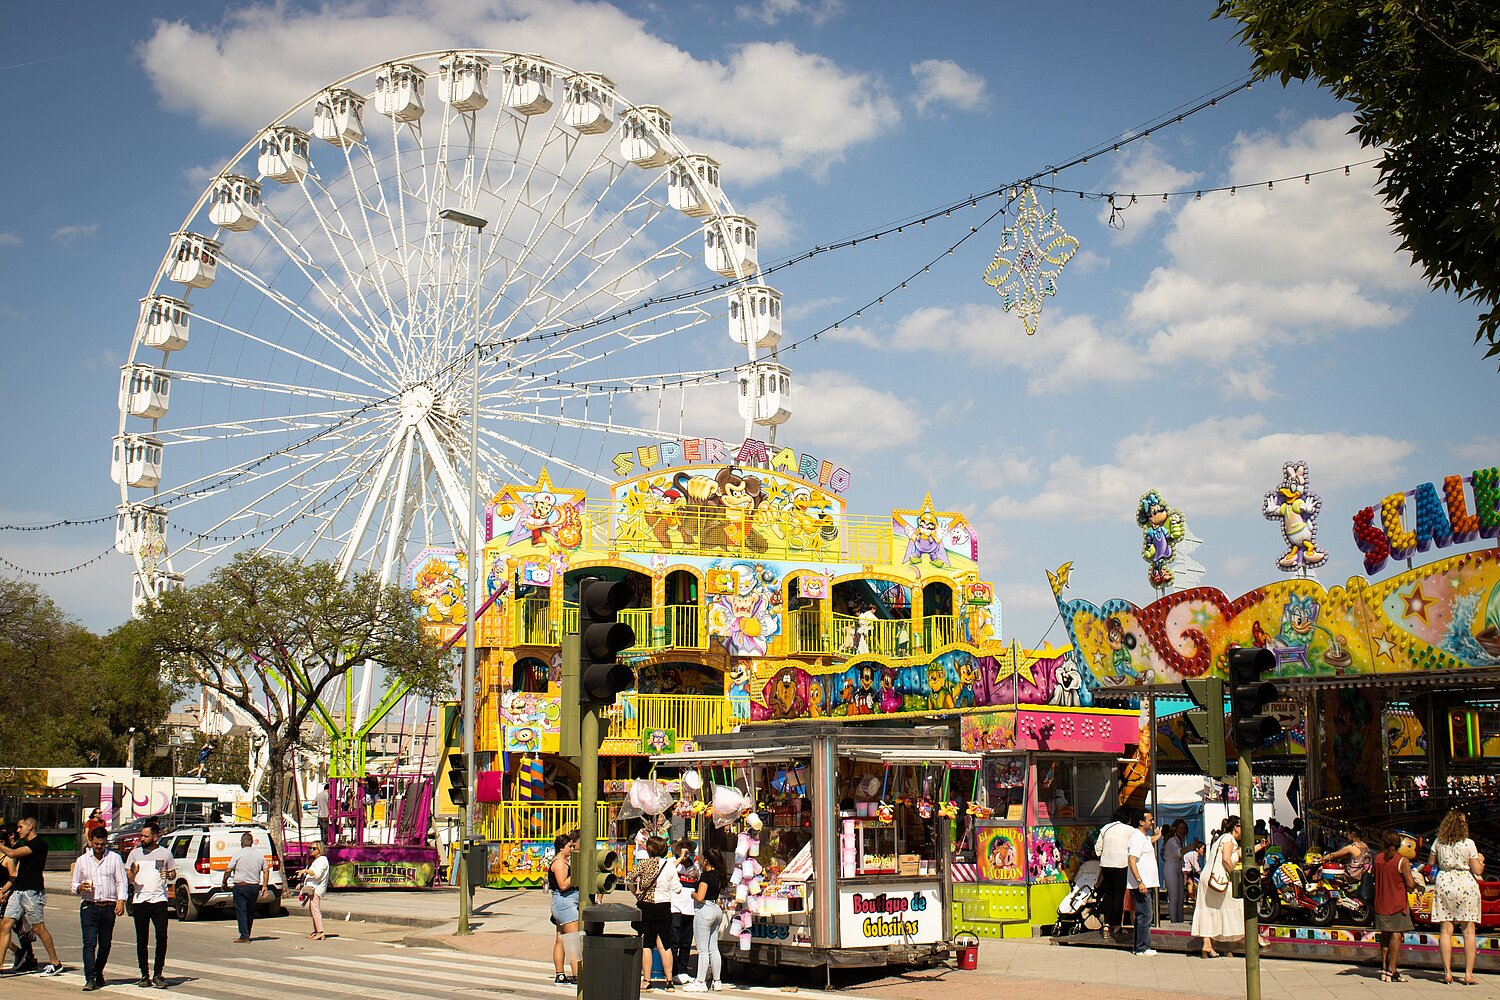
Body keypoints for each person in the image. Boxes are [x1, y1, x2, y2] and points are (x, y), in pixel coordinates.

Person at [0, 815, 64, 977]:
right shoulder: (26, 844)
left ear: (30, 827)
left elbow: (13, 854)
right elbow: (16, 871)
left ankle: (55, 962)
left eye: (20, 827)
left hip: (32, 891)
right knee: (5, 925)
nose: (18, 830)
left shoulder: (39, 844)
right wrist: (7, 890)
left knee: (38, 928)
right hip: (19, 890)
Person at [1428, 809, 1483, 986]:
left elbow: (1431, 862)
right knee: (1468, 931)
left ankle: (1448, 973)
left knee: (1446, 930)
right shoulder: (1469, 844)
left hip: (1444, 883)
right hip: (1465, 884)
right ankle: (1468, 975)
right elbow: (1477, 870)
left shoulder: (1439, 842)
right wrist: (1480, 859)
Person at [72, 824, 128, 991]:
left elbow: (121, 881)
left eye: (102, 844)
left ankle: (98, 971)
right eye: (96, 844)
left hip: (108, 907)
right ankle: (90, 978)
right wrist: (81, 887)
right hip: (89, 906)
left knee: (105, 944)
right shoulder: (82, 860)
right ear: (91, 843)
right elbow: (74, 884)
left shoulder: (114, 858)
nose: (99, 847)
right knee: (89, 943)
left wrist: (121, 901)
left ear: (106, 843)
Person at [125, 818, 175, 988]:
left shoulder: (165, 853)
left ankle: (158, 973)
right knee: (142, 939)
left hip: (159, 900)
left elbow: (173, 873)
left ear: (155, 837)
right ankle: (144, 974)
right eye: (141, 836)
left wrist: (168, 874)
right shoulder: (135, 853)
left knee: (161, 937)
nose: (142, 839)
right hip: (140, 900)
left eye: (146, 836)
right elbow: (128, 877)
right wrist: (132, 874)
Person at [626, 836, 675, 991]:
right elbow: (677, 887)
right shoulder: (669, 865)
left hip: (647, 906)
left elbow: (628, 880)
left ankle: (647, 980)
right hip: (664, 906)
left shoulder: (644, 864)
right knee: (665, 944)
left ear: (649, 849)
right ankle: (669, 981)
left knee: (647, 944)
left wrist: (636, 893)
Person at [1190, 817, 1244, 958]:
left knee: (1208, 909)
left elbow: (1240, 854)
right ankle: (1243, 938)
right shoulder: (1228, 839)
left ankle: (1207, 945)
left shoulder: (1222, 838)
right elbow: (1226, 859)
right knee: (1236, 903)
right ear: (1236, 827)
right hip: (1218, 879)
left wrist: (1261, 846)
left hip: (1208, 878)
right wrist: (1233, 873)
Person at [1372, 830, 1417, 983]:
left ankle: (1384, 969)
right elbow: (1410, 884)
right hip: (1397, 903)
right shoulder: (1402, 861)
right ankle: (1393, 970)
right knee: (1396, 935)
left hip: (1380, 902)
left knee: (1385, 936)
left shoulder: (1377, 858)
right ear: (1399, 844)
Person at [682, 848, 724, 992]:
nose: (700, 860)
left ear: (706, 860)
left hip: (704, 909)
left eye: (702, 858)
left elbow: (700, 897)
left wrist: (692, 893)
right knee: (714, 947)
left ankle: (700, 981)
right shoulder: (718, 875)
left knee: (702, 949)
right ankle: (717, 980)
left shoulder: (705, 877)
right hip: (716, 909)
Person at [0, 821, 39, 974]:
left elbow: (14, 877)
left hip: (14, 895)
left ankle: (26, 956)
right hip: (12, 895)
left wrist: (5, 892)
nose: (18, 830)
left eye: (20, 827)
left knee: (21, 929)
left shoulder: (15, 852)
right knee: (9, 928)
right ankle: (22, 954)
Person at [1093, 808, 1134, 939]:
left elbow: (1097, 849)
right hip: (1122, 864)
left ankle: (1106, 924)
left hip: (1106, 864)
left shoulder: (1106, 828)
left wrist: (1104, 854)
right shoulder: (1129, 829)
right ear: (1128, 818)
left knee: (1108, 894)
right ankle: (1117, 925)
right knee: (1119, 894)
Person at [1126, 810, 1161, 955]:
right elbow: (1132, 860)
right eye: (1150, 820)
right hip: (1141, 884)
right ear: (1141, 822)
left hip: (1146, 883)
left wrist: (1158, 835)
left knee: (1143, 914)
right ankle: (1142, 947)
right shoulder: (1137, 838)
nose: (1152, 822)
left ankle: (1139, 946)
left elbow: (1150, 840)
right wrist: (1140, 882)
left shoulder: (1144, 837)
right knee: (1145, 915)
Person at [548, 831, 580, 985]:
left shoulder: (560, 861)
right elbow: (562, 884)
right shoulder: (560, 863)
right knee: (573, 939)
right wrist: (576, 874)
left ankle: (560, 974)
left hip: (560, 903)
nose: (571, 849)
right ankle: (576, 973)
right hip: (565, 903)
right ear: (562, 848)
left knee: (561, 939)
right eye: (569, 846)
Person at [225, 832, 267, 943]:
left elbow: (228, 870)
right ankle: (247, 932)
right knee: (250, 910)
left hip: (241, 886)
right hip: (254, 887)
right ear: (252, 842)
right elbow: (266, 870)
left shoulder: (238, 854)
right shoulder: (259, 855)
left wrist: (224, 881)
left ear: (241, 843)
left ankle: (244, 935)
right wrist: (264, 886)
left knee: (241, 910)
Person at [670, 839, 698, 984]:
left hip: (690, 908)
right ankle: (672, 971)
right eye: (683, 850)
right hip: (675, 908)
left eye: (689, 851)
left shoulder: (695, 867)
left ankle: (683, 970)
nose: (687, 854)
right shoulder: (673, 864)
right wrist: (680, 858)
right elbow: (668, 870)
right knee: (675, 941)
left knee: (686, 943)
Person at [1324, 832, 1373, 900]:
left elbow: (1333, 855)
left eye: (1347, 833)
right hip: (1362, 875)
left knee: (1330, 879)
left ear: (1352, 835)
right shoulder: (1366, 846)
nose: (1346, 835)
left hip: (1351, 875)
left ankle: (1337, 899)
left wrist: (1321, 859)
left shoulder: (1351, 847)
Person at [299, 841, 330, 941]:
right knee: (312, 910)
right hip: (313, 888)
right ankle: (317, 930)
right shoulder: (316, 860)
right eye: (310, 848)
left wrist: (305, 871)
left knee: (315, 910)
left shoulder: (322, 860)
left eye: (314, 848)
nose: (311, 850)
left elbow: (317, 874)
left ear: (320, 849)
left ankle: (320, 931)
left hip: (317, 888)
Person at [1162, 820, 1187, 924]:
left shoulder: (1179, 840)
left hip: (1177, 868)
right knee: (1174, 897)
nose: (1183, 831)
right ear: (1175, 829)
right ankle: (1174, 921)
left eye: (1184, 828)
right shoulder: (1172, 840)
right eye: (1180, 828)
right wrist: (1190, 848)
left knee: (1181, 897)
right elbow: (1178, 853)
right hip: (1170, 868)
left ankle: (1179, 920)